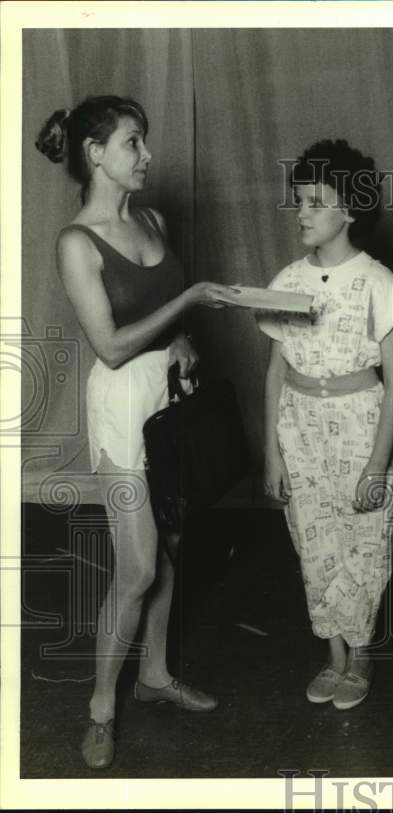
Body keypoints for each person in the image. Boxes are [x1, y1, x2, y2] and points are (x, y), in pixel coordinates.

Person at [35, 96, 240, 769]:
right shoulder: (76, 242)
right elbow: (113, 345)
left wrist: (182, 337)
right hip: (121, 410)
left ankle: (154, 675)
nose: (147, 155)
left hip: (170, 401)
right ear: (96, 155)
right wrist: (186, 304)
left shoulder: (151, 219)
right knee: (139, 565)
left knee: (173, 544)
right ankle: (100, 706)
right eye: (132, 143)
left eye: (144, 142)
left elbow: (161, 319)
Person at [259, 139, 393, 711]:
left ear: (350, 210)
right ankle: (334, 656)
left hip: (359, 428)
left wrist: (377, 463)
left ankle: (363, 653)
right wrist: (272, 452)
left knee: (364, 541)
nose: (302, 211)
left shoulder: (378, 282)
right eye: (299, 200)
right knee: (313, 539)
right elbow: (275, 372)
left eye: (317, 201)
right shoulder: (286, 281)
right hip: (299, 428)